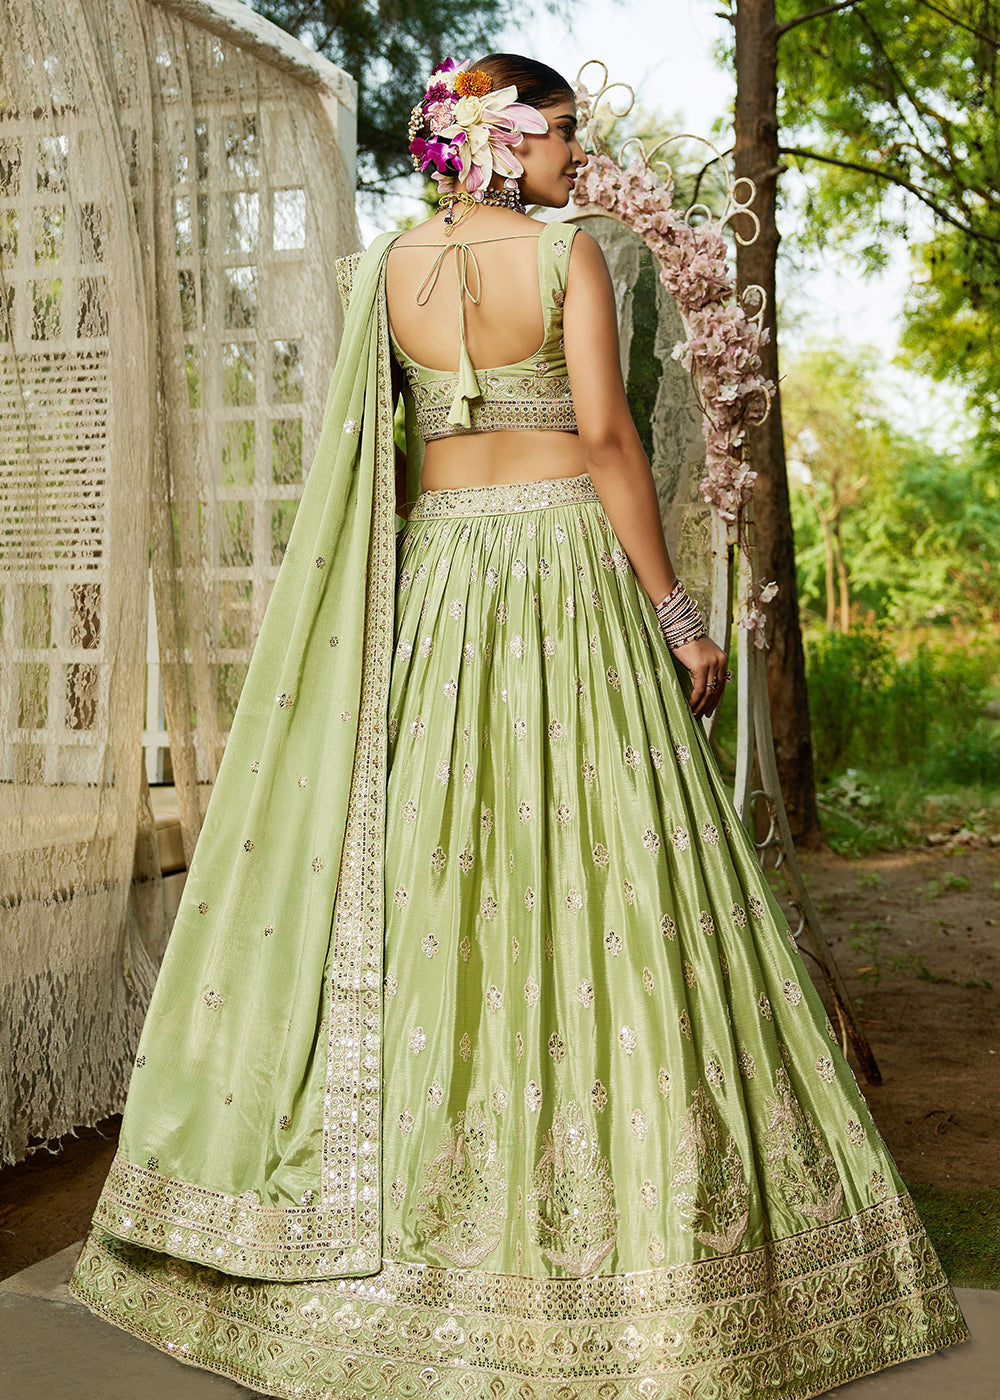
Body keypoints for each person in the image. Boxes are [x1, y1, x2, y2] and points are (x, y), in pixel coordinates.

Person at [70, 52, 968, 1400]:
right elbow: (606, 439)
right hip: (564, 574)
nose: (575, 155)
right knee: (609, 869)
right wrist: (679, 613)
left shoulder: (388, 269)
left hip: (442, 582)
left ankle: (405, 1207)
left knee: (441, 872)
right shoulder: (567, 259)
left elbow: (374, 457)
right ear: (500, 139)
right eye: (558, 132)